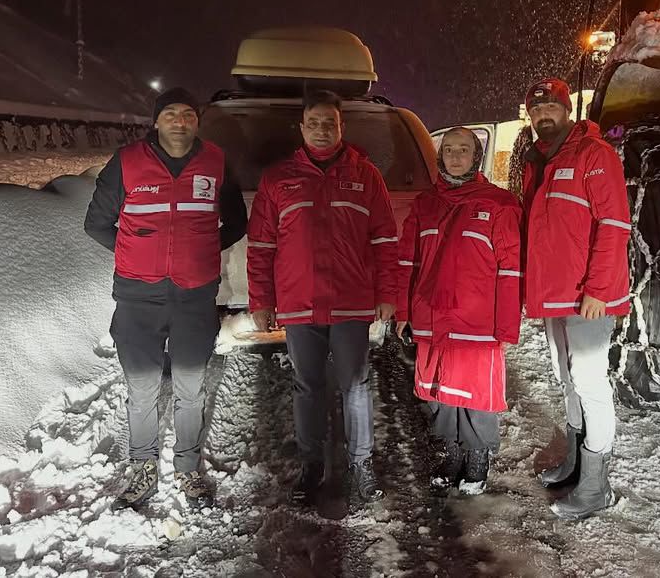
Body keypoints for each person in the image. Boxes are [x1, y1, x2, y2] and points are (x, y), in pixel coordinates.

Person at [84, 86, 247, 508]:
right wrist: (135, 253)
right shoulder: (127, 162)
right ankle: (142, 467)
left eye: (188, 114)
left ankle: (188, 468)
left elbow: (236, 223)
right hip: (138, 298)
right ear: (156, 121)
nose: (180, 121)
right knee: (142, 387)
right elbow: (96, 223)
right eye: (170, 113)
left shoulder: (216, 162)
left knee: (191, 387)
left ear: (197, 121)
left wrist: (203, 251)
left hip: (195, 297)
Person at [247, 90, 398, 506]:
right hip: (300, 303)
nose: (321, 130)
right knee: (307, 386)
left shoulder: (366, 176)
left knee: (356, 385)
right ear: (301, 128)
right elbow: (261, 246)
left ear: (341, 126)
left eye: (329, 122)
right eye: (313, 123)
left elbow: (385, 240)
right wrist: (262, 300)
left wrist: (387, 293)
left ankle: (361, 463)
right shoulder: (278, 179)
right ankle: (311, 464)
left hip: (351, 300)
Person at [521, 77, 632, 520]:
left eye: (550, 107)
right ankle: (574, 461)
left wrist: (598, 290)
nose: (542, 115)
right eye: (536, 110)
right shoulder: (538, 160)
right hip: (555, 294)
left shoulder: (594, 154)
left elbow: (614, 225)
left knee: (588, 381)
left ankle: (594, 486)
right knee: (565, 378)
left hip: (588, 296)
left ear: (567, 110)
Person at [395, 127, 522, 494]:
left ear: (476, 157)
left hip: (478, 319)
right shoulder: (425, 204)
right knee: (439, 392)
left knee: (476, 394)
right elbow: (407, 261)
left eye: (463, 149)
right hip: (432, 314)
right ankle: (452, 453)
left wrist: (507, 325)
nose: (455, 156)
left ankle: (477, 457)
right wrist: (403, 311)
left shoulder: (499, 203)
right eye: (448, 149)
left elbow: (511, 267)